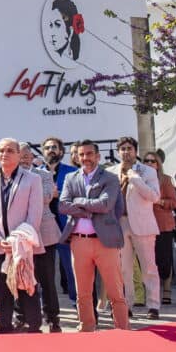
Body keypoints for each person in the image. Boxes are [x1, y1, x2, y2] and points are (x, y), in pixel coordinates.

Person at [59, 140, 129, 331]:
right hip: (79, 240)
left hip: (105, 241)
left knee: (115, 290)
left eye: (89, 154)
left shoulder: (110, 178)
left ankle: (122, 328)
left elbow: (106, 205)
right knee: (83, 291)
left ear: (97, 156)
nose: (85, 158)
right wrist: (90, 208)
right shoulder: (70, 178)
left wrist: (80, 202)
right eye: (81, 154)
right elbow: (63, 206)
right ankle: (87, 326)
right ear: (76, 156)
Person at [0, 139, 43, 334]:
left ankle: (34, 328)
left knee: (27, 286)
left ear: (18, 154)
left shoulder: (32, 180)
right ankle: (4, 328)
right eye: (1, 151)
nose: (4, 154)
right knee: (3, 289)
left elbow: (34, 215)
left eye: (9, 151)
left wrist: (16, 240)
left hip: (23, 245)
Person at [114, 136, 161, 320]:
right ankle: (127, 304)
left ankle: (153, 305)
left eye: (129, 148)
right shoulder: (111, 171)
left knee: (149, 267)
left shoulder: (147, 171)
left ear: (135, 151)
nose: (126, 152)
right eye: (123, 149)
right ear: (119, 152)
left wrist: (135, 178)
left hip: (143, 224)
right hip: (121, 223)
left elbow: (154, 196)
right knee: (124, 269)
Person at [23, 143, 62, 333]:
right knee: (23, 279)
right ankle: (25, 318)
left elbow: (47, 197)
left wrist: (23, 193)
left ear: (32, 157)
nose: (24, 159)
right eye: (20, 155)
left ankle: (53, 318)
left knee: (47, 280)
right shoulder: (8, 176)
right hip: (20, 236)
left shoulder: (44, 175)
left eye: (27, 155)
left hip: (45, 234)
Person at [41, 136, 78, 303]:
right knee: (43, 268)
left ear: (61, 151)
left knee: (71, 266)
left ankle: (75, 300)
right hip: (43, 226)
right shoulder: (35, 173)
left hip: (66, 226)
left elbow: (77, 196)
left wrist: (59, 192)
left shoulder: (72, 172)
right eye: (47, 148)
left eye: (54, 147)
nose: (51, 150)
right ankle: (44, 303)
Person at [144, 150, 176, 304]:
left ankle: (167, 289)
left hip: (163, 224)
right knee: (150, 260)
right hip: (145, 224)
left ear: (158, 164)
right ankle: (152, 291)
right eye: (147, 161)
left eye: (153, 161)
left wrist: (159, 201)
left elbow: (174, 202)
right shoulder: (140, 180)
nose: (150, 164)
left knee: (164, 259)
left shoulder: (165, 180)